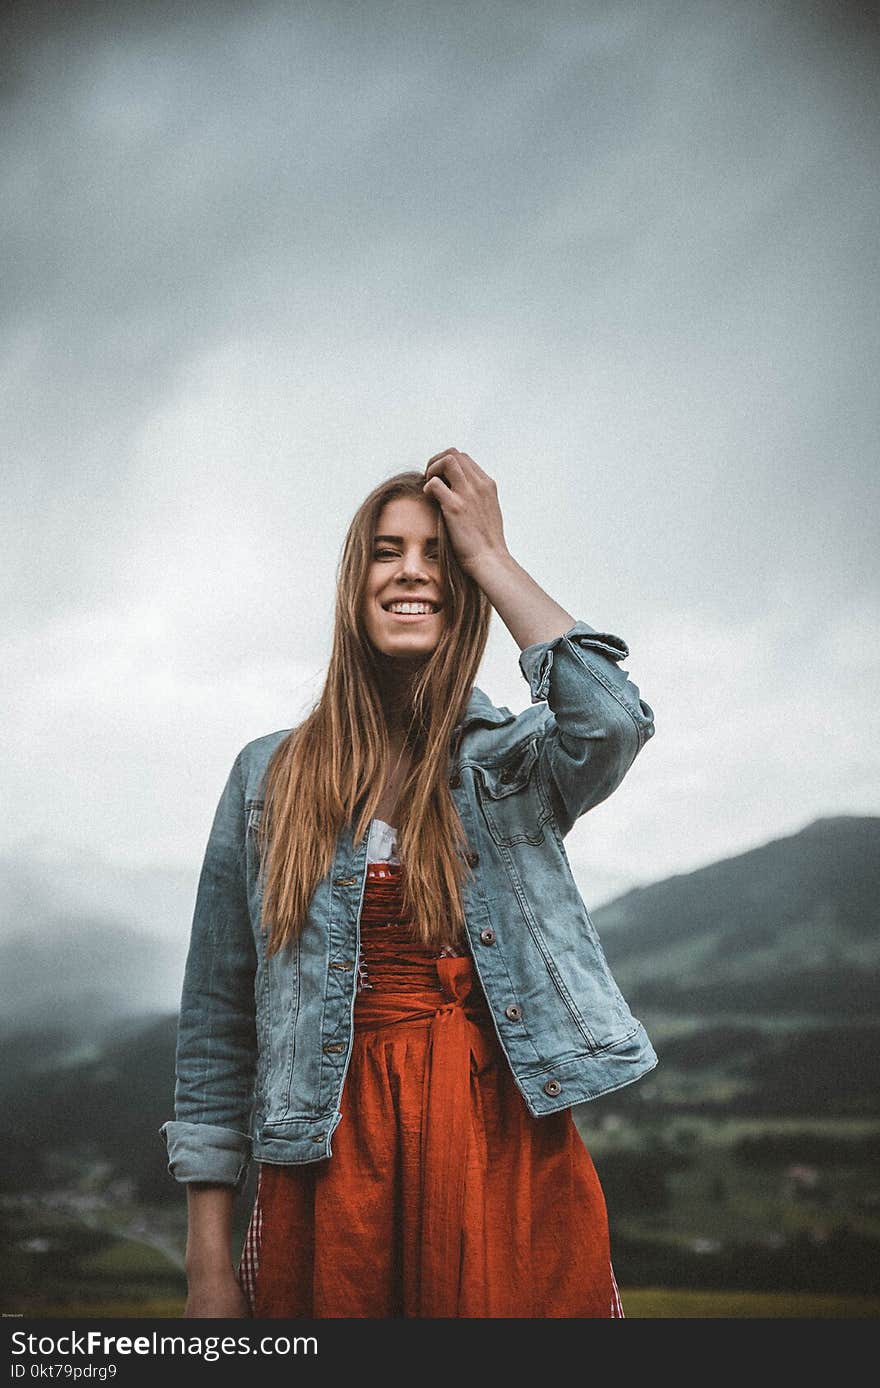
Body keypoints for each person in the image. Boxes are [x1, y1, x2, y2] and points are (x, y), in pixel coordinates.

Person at [159, 447, 657, 1318]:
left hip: (504, 1152)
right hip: (326, 1166)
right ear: (355, 583)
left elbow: (611, 720)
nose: (412, 572)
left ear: (465, 590)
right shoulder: (266, 777)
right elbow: (216, 1027)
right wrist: (207, 1271)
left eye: (437, 554)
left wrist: (494, 557)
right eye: (387, 552)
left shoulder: (511, 763)